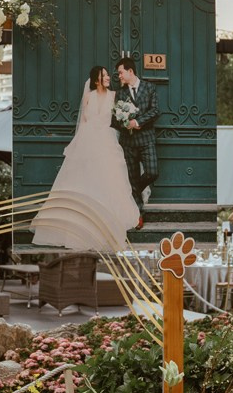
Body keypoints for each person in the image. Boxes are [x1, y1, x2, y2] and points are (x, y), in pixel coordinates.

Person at [30, 65, 139, 250]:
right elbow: (83, 123)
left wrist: (126, 117)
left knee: (106, 181)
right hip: (87, 142)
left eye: (107, 75)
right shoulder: (88, 97)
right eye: (104, 75)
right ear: (96, 79)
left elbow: (119, 117)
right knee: (83, 182)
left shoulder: (114, 96)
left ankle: (106, 225)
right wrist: (77, 146)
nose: (107, 77)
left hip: (106, 141)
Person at [113, 55, 159, 229]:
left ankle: (133, 190)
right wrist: (125, 121)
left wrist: (137, 122)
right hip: (128, 142)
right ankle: (138, 216)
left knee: (153, 172)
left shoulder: (149, 87)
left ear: (130, 71)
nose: (119, 77)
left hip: (146, 139)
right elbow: (115, 118)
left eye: (120, 73)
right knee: (131, 177)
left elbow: (155, 111)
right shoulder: (120, 92)